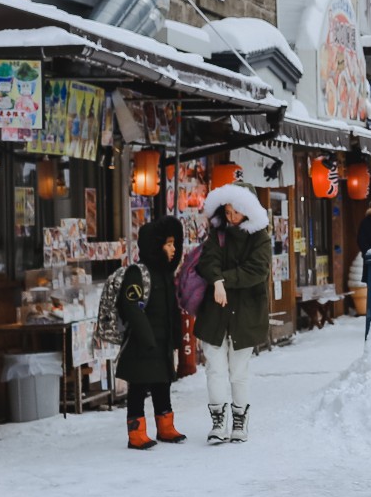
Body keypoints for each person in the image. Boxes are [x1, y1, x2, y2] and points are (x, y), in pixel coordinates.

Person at [196, 183, 272, 443]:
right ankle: (218, 421)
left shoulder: (260, 236)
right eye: (227, 212)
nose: (230, 218)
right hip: (215, 312)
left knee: (239, 370)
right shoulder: (217, 234)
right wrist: (215, 282)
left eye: (235, 212)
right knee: (214, 369)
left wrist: (221, 280)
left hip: (247, 312)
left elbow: (257, 270)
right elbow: (207, 261)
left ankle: (240, 420)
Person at [116, 216, 187, 450]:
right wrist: (147, 339)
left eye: (174, 244)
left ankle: (165, 426)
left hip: (162, 342)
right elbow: (132, 307)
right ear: (156, 246)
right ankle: (136, 433)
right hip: (142, 343)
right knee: (138, 387)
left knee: (162, 383)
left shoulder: (166, 275)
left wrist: (175, 337)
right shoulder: (138, 273)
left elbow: (172, 310)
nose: (173, 248)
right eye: (168, 244)